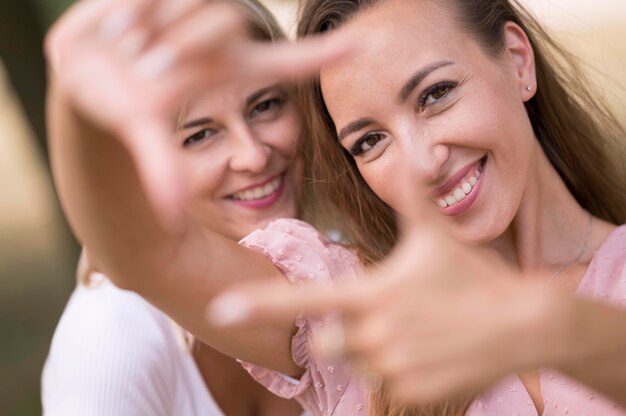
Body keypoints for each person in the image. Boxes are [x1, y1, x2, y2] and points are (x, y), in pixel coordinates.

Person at [46, 0, 626, 416]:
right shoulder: (352, 302)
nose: (422, 162)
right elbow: (149, 255)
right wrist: (81, 111)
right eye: (369, 140)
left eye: (436, 94)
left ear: (518, 61)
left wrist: (551, 328)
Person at [41, 1, 308, 415]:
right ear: (135, 169)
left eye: (264, 106)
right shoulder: (110, 342)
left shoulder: (338, 271)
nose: (253, 156)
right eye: (200, 135)